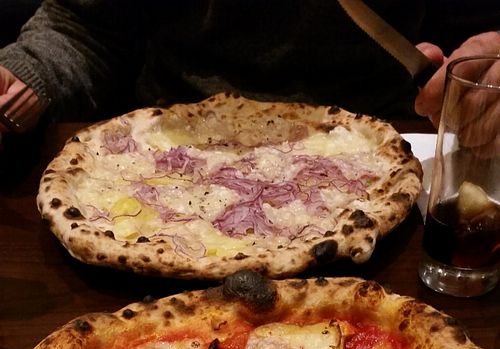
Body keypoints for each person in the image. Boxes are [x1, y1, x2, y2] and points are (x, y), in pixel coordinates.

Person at [0, 0, 498, 133]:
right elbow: (85, 25)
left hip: (387, 135)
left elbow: (480, 29)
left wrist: (489, 62)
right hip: (153, 170)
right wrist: (21, 82)